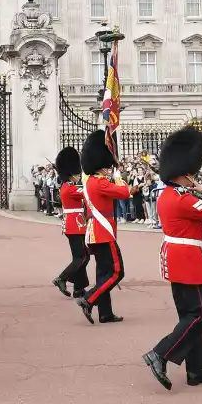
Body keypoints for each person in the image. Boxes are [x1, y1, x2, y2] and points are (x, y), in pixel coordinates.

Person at [142, 126, 202, 391]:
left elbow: (196, 224)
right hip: (188, 259)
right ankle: (160, 353)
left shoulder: (168, 195)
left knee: (188, 315)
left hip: (175, 256)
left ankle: (196, 369)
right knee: (201, 313)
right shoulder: (183, 198)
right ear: (186, 173)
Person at [75, 129, 138, 325]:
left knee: (103, 273)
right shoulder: (99, 182)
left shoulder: (91, 182)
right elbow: (123, 192)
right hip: (103, 233)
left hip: (95, 232)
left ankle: (105, 313)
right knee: (116, 272)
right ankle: (89, 299)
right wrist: (120, 178)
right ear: (101, 165)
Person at [52, 146, 90, 299]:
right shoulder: (69, 189)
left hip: (75, 225)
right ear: (70, 174)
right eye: (77, 174)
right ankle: (62, 278)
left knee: (81, 257)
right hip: (75, 226)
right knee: (82, 257)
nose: (78, 176)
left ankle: (79, 289)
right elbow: (87, 193)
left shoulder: (68, 186)